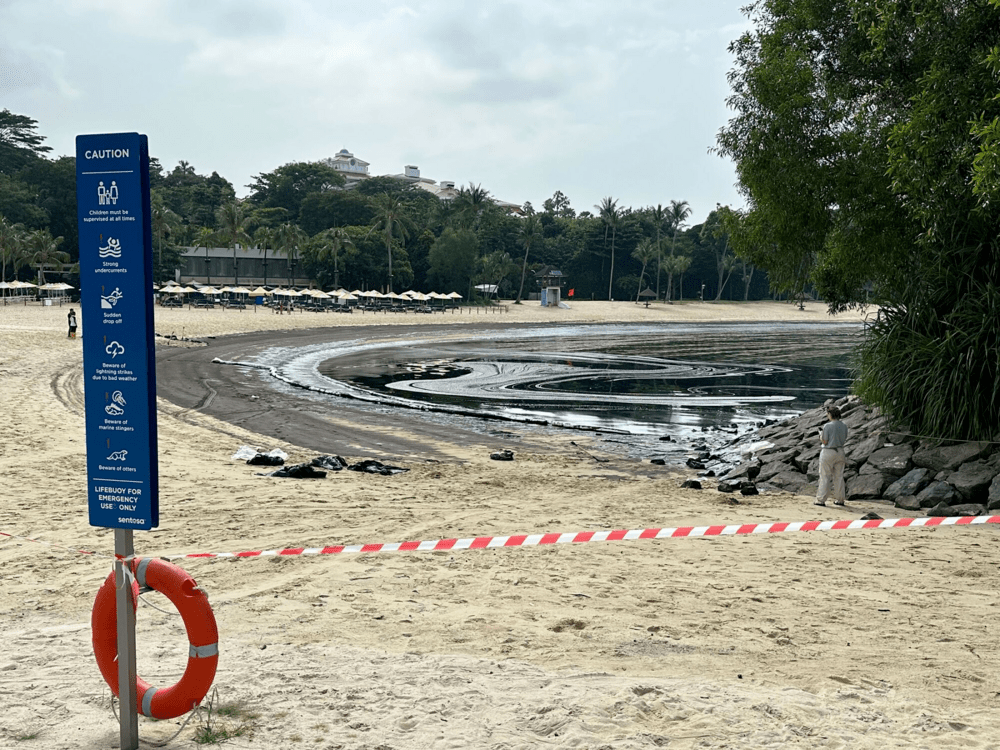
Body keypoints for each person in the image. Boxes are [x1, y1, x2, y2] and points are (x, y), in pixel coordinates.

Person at [815, 405, 848, 506]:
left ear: (830, 414)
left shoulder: (827, 426)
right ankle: (840, 499)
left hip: (828, 451)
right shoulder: (844, 426)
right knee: (839, 476)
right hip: (840, 451)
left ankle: (821, 499)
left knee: (825, 476)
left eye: (827, 414)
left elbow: (825, 441)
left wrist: (820, 435)